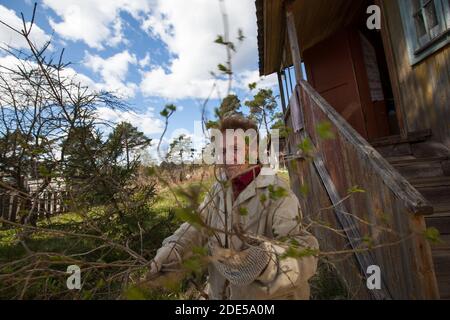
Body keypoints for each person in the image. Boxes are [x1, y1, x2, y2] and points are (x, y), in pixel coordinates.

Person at [147, 115, 319, 300]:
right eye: (222, 150)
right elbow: (198, 225)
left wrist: (264, 262)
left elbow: (305, 254)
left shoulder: (278, 194)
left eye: (235, 149)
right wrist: (174, 248)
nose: (227, 158)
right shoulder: (219, 188)